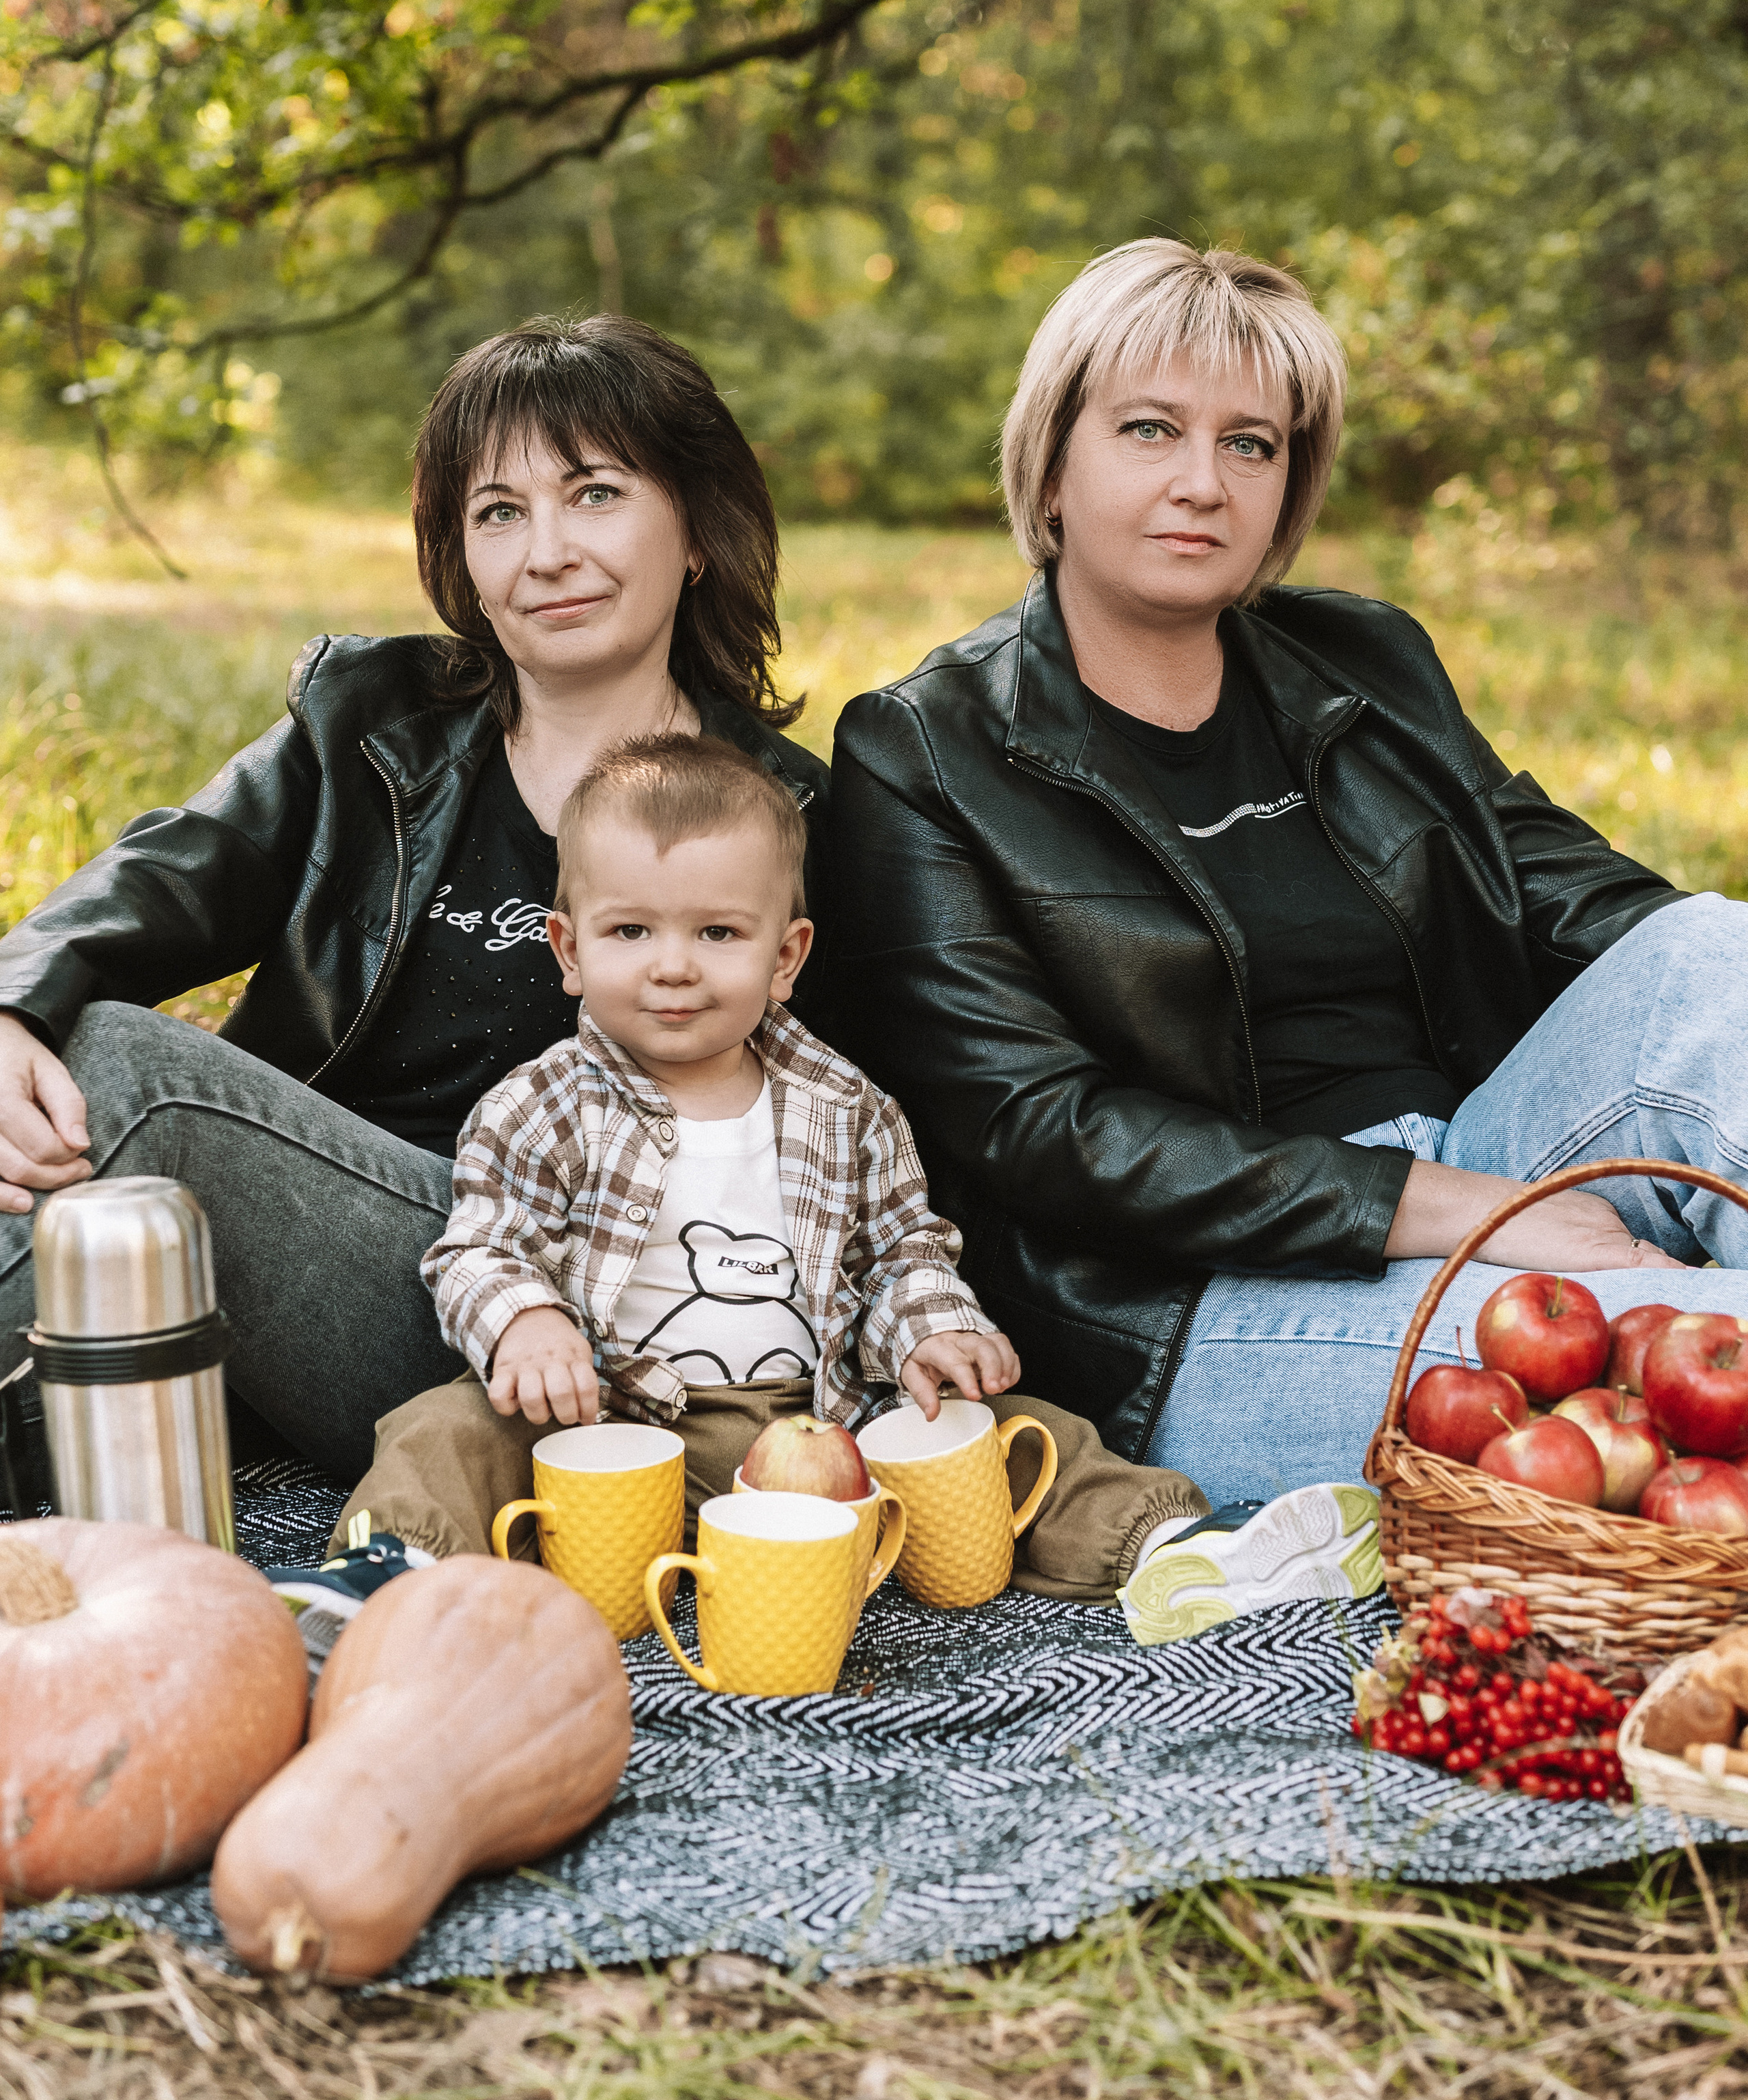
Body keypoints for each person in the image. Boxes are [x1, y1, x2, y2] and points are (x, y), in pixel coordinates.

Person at [827, 238, 1748, 1535]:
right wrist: (1474, 1220)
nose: (1202, 482)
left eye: (1251, 444)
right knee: (1716, 1336)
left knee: (1715, 951)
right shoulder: (925, 747)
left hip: (1483, 1143)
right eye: (1150, 429)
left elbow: (1583, 902)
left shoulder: (1363, 657)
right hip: (1195, 1296)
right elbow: (1041, 1128)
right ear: (1051, 462)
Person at [0, 316, 832, 1487]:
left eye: (594, 494)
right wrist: (12, 1010)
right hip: (308, 1263)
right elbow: (159, 878)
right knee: (58, 1044)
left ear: (695, 529)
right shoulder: (370, 723)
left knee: (141, 1080)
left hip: (549, 1315)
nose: (545, 552)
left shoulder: (787, 817)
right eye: (498, 512)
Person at [289, 733, 1252, 1641]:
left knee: (1007, 1431)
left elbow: (902, 1251)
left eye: (717, 931)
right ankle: (391, 1570)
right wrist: (524, 1322)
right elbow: (481, 1245)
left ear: (784, 956)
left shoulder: (845, 1106)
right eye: (630, 929)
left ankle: (1167, 1544)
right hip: (619, 1426)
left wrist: (929, 1328)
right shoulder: (541, 1105)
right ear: (570, 950)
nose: (673, 965)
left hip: (825, 1423)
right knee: (451, 1424)